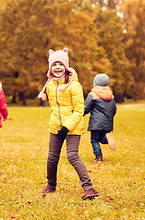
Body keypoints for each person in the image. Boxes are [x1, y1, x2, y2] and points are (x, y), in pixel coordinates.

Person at [38, 48, 99, 200]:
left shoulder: (75, 85)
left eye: (60, 64)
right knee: (52, 157)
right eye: (54, 64)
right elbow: (54, 106)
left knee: (72, 156)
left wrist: (67, 126)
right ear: (51, 67)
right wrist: (57, 123)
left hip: (72, 127)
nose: (57, 67)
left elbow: (79, 110)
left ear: (66, 66)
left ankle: (89, 188)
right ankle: (51, 185)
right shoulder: (51, 84)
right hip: (56, 126)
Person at [84, 73, 117, 163]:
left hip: (96, 122)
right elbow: (114, 109)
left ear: (95, 83)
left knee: (94, 140)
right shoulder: (111, 95)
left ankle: (98, 157)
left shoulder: (93, 94)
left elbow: (86, 108)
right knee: (101, 138)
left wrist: (80, 114)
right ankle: (106, 138)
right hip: (108, 122)